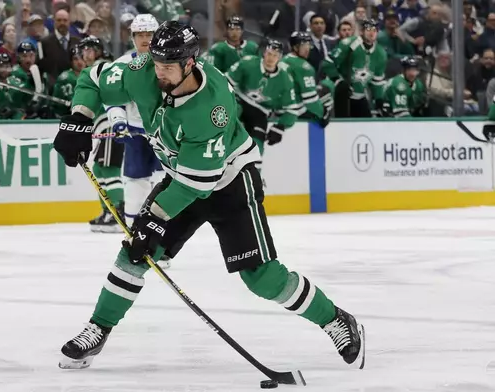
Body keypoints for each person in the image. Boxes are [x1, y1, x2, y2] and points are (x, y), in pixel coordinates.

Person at [52, 21, 366, 371]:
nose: (159, 73)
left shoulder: (212, 107)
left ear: (190, 63)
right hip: (182, 176)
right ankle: (98, 327)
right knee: (134, 254)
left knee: (261, 278)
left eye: (168, 67)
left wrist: (153, 219)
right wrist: (79, 119)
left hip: (229, 182)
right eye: (156, 63)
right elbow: (92, 79)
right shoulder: (143, 70)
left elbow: (195, 186)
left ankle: (335, 319)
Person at [105, 14, 163, 230]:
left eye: (150, 34)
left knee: (163, 187)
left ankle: (161, 243)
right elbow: (112, 98)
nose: (146, 39)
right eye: (141, 34)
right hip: (135, 135)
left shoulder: (169, 63)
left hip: (163, 135)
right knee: (135, 186)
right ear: (132, 37)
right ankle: (133, 237)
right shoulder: (121, 65)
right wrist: (118, 122)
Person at [226, 39, 299, 170]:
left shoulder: (285, 79)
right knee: (228, 130)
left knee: (257, 148)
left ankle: (255, 181)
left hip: (260, 112)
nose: (271, 58)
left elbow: (292, 110)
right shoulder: (248, 63)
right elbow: (226, 81)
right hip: (240, 102)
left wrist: (280, 126)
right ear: (264, 53)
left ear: (280, 58)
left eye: (275, 56)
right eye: (269, 54)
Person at [79, 36, 125, 233]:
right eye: (84, 50)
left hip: (110, 123)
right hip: (102, 125)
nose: (86, 54)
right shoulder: (98, 69)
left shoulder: (102, 68)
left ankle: (117, 214)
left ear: (98, 51)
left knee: (109, 168)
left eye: (90, 49)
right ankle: (108, 211)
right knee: (99, 169)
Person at [322, 19, 387, 118]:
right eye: (368, 29)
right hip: (341, 94)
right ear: (361, 31)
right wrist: (338, 81)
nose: (372, 33)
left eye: (375, 30)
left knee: (365, 125)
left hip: (360, 95)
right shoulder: (348, 44)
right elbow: (328, 63)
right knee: (342, 124)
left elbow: (377, 81)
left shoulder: (381, 53)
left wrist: (379, 99)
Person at [282, 31, 333, 127]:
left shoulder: (283, 60)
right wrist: (323, 113)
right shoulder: (304, 67)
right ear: (295, 47)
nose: (307, 48)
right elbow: (310, 101)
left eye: (308, 44)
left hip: (278, 108)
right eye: (303, 45)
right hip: (294, 111)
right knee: (326, 89)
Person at [52, 47, 86, 117]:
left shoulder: (90, 75)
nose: (79, 62)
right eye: (75, 59)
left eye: (82, 58)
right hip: (63, 116)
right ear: (71, 61)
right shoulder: (66, 78)